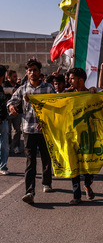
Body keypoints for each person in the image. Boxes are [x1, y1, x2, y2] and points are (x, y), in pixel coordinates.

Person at [7, 58, 55, 204]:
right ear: (27, 73)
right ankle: (29, 191)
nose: (32, 73)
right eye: (30, 70)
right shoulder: (23, 89)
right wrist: (12, 108)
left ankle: (46, 182)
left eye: (35, 70)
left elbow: (56, 107)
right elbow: (11, 101)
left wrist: (46, 121)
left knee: (46, 158)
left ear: (40, 72)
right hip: (28, 130)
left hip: (45, 131)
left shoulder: (48, 89)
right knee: (30, 161)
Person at [66, 68, 96, 205]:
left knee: (89, 165)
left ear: (81, 80)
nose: (69, 81)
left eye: (72, 78)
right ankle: (76, 195)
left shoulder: (91, 94)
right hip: (71, 137)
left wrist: (95, 92)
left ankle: (88, 184)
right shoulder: (67, 95)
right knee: (74, 166)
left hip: (88, 137)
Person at [3, 70, 22, 154]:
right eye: (14, 76)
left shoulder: (19, 86)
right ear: (9, 77)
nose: (16, 78)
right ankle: (9, 146)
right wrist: (13, 90)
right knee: (8, 131)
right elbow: (4, 90)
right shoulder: (4, 85)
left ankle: (16, 146)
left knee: (18, 130)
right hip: (8, 112)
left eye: (16, 76)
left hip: (18, 112)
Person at [0, 65, 9, 175]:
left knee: (4, 145)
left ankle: (2, 166)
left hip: (3, 119)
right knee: (4, 145)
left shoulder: (1, 87)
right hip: (1, 120)